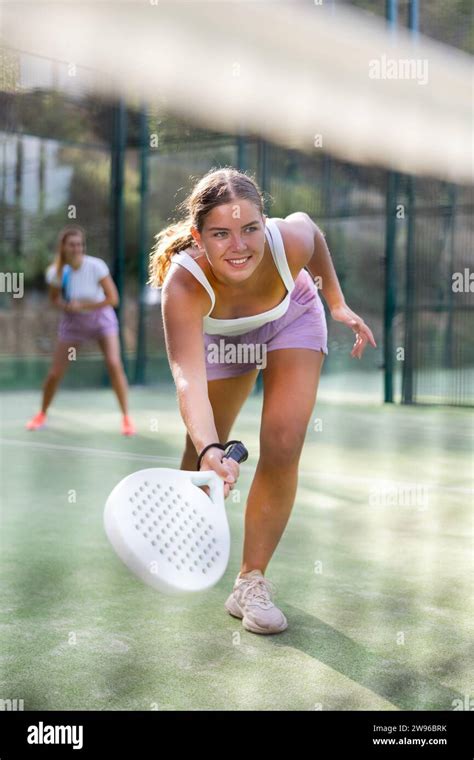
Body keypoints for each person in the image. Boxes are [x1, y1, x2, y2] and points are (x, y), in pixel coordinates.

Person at [149, 168, 376, 634]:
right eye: (221, 234)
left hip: (292, 316)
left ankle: (250, 581)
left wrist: (336, 303)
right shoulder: (184, 284)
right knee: (202, 448)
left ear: (264, 224)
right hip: (224, 338)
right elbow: (187, 380)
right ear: (198, 236)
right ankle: (186, 524)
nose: (240, 246)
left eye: (250, 229)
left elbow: (312, 232)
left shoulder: (286, 241)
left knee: (284, 439)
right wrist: (213, 451)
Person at [26, 225, 136, 436]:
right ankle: (41, 415)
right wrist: (68, 307)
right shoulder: (56, 272)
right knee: (55, 372)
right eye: (72, 245)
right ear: (64, 247)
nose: (77, 248)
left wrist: (84, 305)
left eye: (80, 244)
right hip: (73, 323)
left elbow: (113, 299)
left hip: (101, 319)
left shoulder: (96, 266)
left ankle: (126, 419)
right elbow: (54, 299)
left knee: (114, 364)